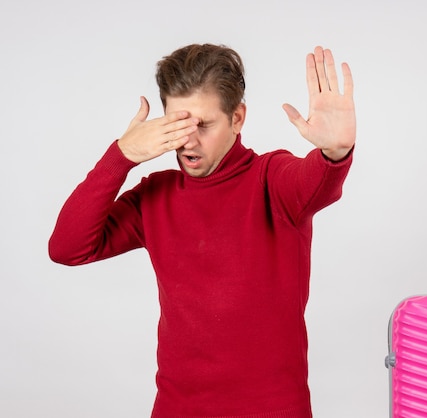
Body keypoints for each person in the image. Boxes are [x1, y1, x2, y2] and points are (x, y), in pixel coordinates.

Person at [48, 43, 355, 418]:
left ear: (237, 118)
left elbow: (316, 181)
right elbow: (67, 247)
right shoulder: (155, 195)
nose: (188, 141)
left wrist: (335, 154)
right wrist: (121, 156)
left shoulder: (272, 179)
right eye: (177, 125)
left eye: (203, 126)